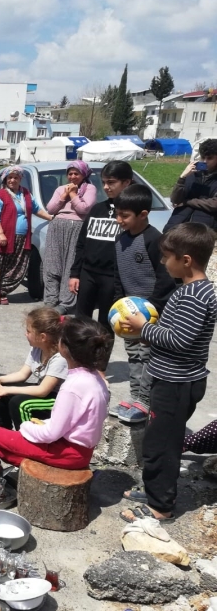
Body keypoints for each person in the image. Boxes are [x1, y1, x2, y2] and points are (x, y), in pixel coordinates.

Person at [119, 224, 217, 524]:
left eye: (167, 257)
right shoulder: (191, 290)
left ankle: (160, 506)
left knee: (163, 446)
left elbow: (179, 340)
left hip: (177, 383)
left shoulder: (194, 296)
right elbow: (175, 333)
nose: (163, 262)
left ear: (186, 260)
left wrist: (143, 328)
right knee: (156, 440)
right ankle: (152, 491)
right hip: (170, 379)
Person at [0, 317, 111, 470]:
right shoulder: (96, 378)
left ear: (64, 347)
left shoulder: (73, 386)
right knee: (6, 437)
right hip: (80, 452)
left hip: (65, 453)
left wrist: (25, 427)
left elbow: (51, 433)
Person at [110, 184, 176, 423]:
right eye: (117, 214)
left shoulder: (154, 240)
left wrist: (151, 309)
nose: (119, 220)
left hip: (150, 316)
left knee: (147, 356)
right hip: (128, 314)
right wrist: (119, 303)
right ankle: (135, 396)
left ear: (143, 214)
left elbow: (165, 278)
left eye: (124, 215)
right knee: (133, 355)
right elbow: (119, 275)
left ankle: (145, 402)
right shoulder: (120, 240)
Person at [69, 160, 134, 330]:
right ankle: (80, 356)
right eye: (104, 182)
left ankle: (101, 357)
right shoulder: (97, 209)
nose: (106, 187)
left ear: (126, 182)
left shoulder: (130, 213)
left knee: (106, 324)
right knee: (81, 321)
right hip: (88, 273)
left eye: (111, 182)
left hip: (112, 277)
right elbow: (82, 243)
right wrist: (75, 273)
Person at [0, 307, 67, 430]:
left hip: (58, 400)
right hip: (45, 393)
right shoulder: (37, 348)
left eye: (28, 331)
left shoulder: (59, 358)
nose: (26, 334)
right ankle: (3, 433)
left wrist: (8, 390)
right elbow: (22, 374)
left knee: (19, 404)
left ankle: (24, 440)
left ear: (42, 337)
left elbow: (43, 390)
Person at [0, 166, 52, 305]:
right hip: (5, 237)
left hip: (23, 238)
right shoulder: (0, 195)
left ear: (20, 179)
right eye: (10, 177)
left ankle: (4, 291)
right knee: (2, 265)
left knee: (17, 266)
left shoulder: (25, 194)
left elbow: (36, 209)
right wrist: (0, 234)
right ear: (5, 179)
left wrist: (51, 218)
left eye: (16, 177)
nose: (13, 180)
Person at [43, 160, 97, 314]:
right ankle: (51, 298)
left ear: (83, 174)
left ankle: (66, 303)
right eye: (70, 174)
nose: (72, 177)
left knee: (70, 264)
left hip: (77, 227)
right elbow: (51, 208)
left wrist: (73, 194)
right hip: (57, 227)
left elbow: (84, 208)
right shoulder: (61, 188)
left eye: (76, 173)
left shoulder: (89, 188)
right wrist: (64, 194)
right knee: (52, 264)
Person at [164, 138, 217, 230]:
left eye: (209, 158)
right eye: (203, 157)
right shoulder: (192, 173)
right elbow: (175, 200)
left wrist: (186, 202)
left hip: (203, 232)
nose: (205, 161)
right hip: (176, 227)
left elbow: (214, 204)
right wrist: (182, 178)